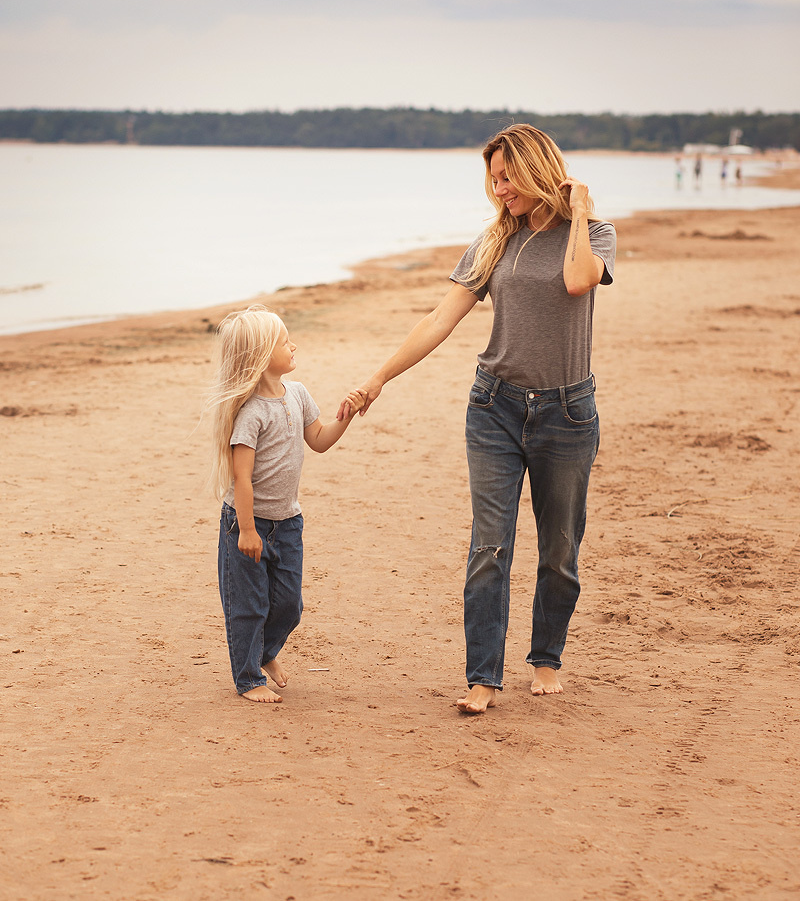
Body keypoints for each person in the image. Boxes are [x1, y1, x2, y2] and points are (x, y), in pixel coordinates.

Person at [340, 124, 616, 714]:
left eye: (507, 177)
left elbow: (576, 280)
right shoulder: (494, 243)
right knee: (489, 545)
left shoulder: (594, 236)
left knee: (560, 548)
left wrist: (578, 212)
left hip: (567, 414)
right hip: (494, 408)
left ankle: (546, 659)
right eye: (493, 180)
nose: (499, 190)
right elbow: (439, 320)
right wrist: (378, 378)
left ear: (538, 169)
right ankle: (483, 676)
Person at [207, 304, 365, 703]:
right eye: (283, 341)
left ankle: (264, 653)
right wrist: (245, 529)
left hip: (288, 522)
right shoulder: (250, 413)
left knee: (289, 604)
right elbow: (242, 477)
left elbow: (320, 440)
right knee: (250, 606)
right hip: (247, 522)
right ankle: (248, 679)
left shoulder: (297, 393)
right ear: (261, 357)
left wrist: (345, 415)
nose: (292, 345)